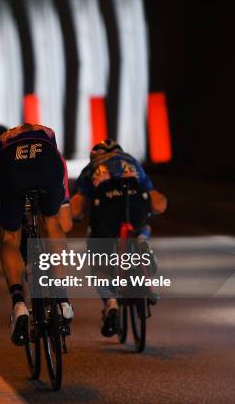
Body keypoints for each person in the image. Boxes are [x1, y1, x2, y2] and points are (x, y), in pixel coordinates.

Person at [0, 123, 74, 345]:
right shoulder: (53, 149)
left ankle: (18, 303)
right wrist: (47, 217)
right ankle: (61, 299)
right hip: (46, 165)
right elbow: (67, 223)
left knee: (10, 237)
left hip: (12, 172)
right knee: (52, 223)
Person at [69, 139, 167, 337]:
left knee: (99, 260)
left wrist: (77, 216)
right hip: (135, 203)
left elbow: (76, 208)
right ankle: (142, 241)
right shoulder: (132, 162)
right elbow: (158, 204)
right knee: (142, 226)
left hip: (106, 212)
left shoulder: (91, 168)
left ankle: (111, 301)